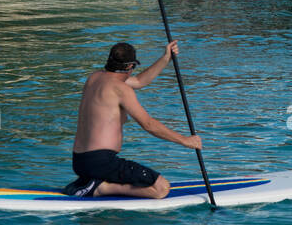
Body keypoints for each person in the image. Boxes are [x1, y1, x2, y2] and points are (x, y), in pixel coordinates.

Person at [65, 41, 202, 199]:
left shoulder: (94, 78)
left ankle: (88, 181)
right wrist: (185, 140)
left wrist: (166, 58)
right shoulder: (121, 89)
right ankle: (100, 188)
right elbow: (148, 124)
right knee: (161, 188)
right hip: (102, 163)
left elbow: (139, 82)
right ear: (130, 66)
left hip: (80, 162)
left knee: (149, 183)